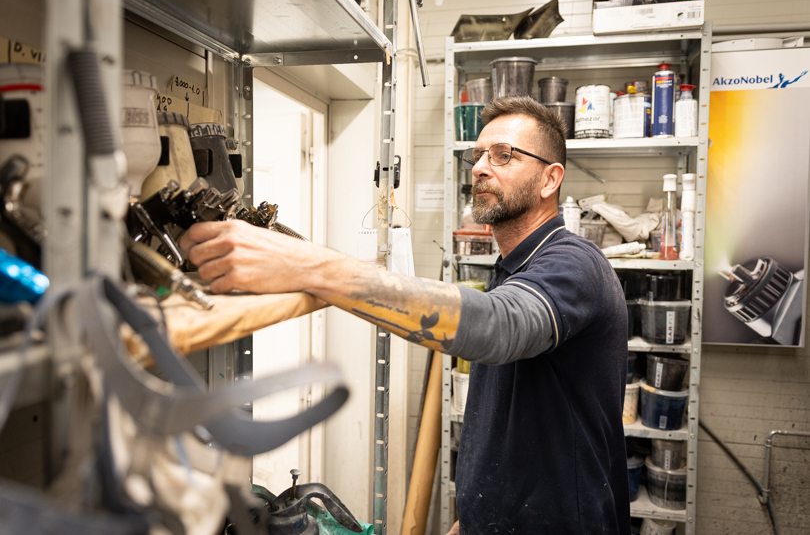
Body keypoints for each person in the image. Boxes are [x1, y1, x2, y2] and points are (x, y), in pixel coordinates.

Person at [179, 96, 630, 534]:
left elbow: (499, 327)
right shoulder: (513, 267)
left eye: (503, 154)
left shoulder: (576, 264)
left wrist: (309, 265)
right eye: (477, 155)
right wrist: (475, 517)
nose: (479, 166)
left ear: (550, 179)